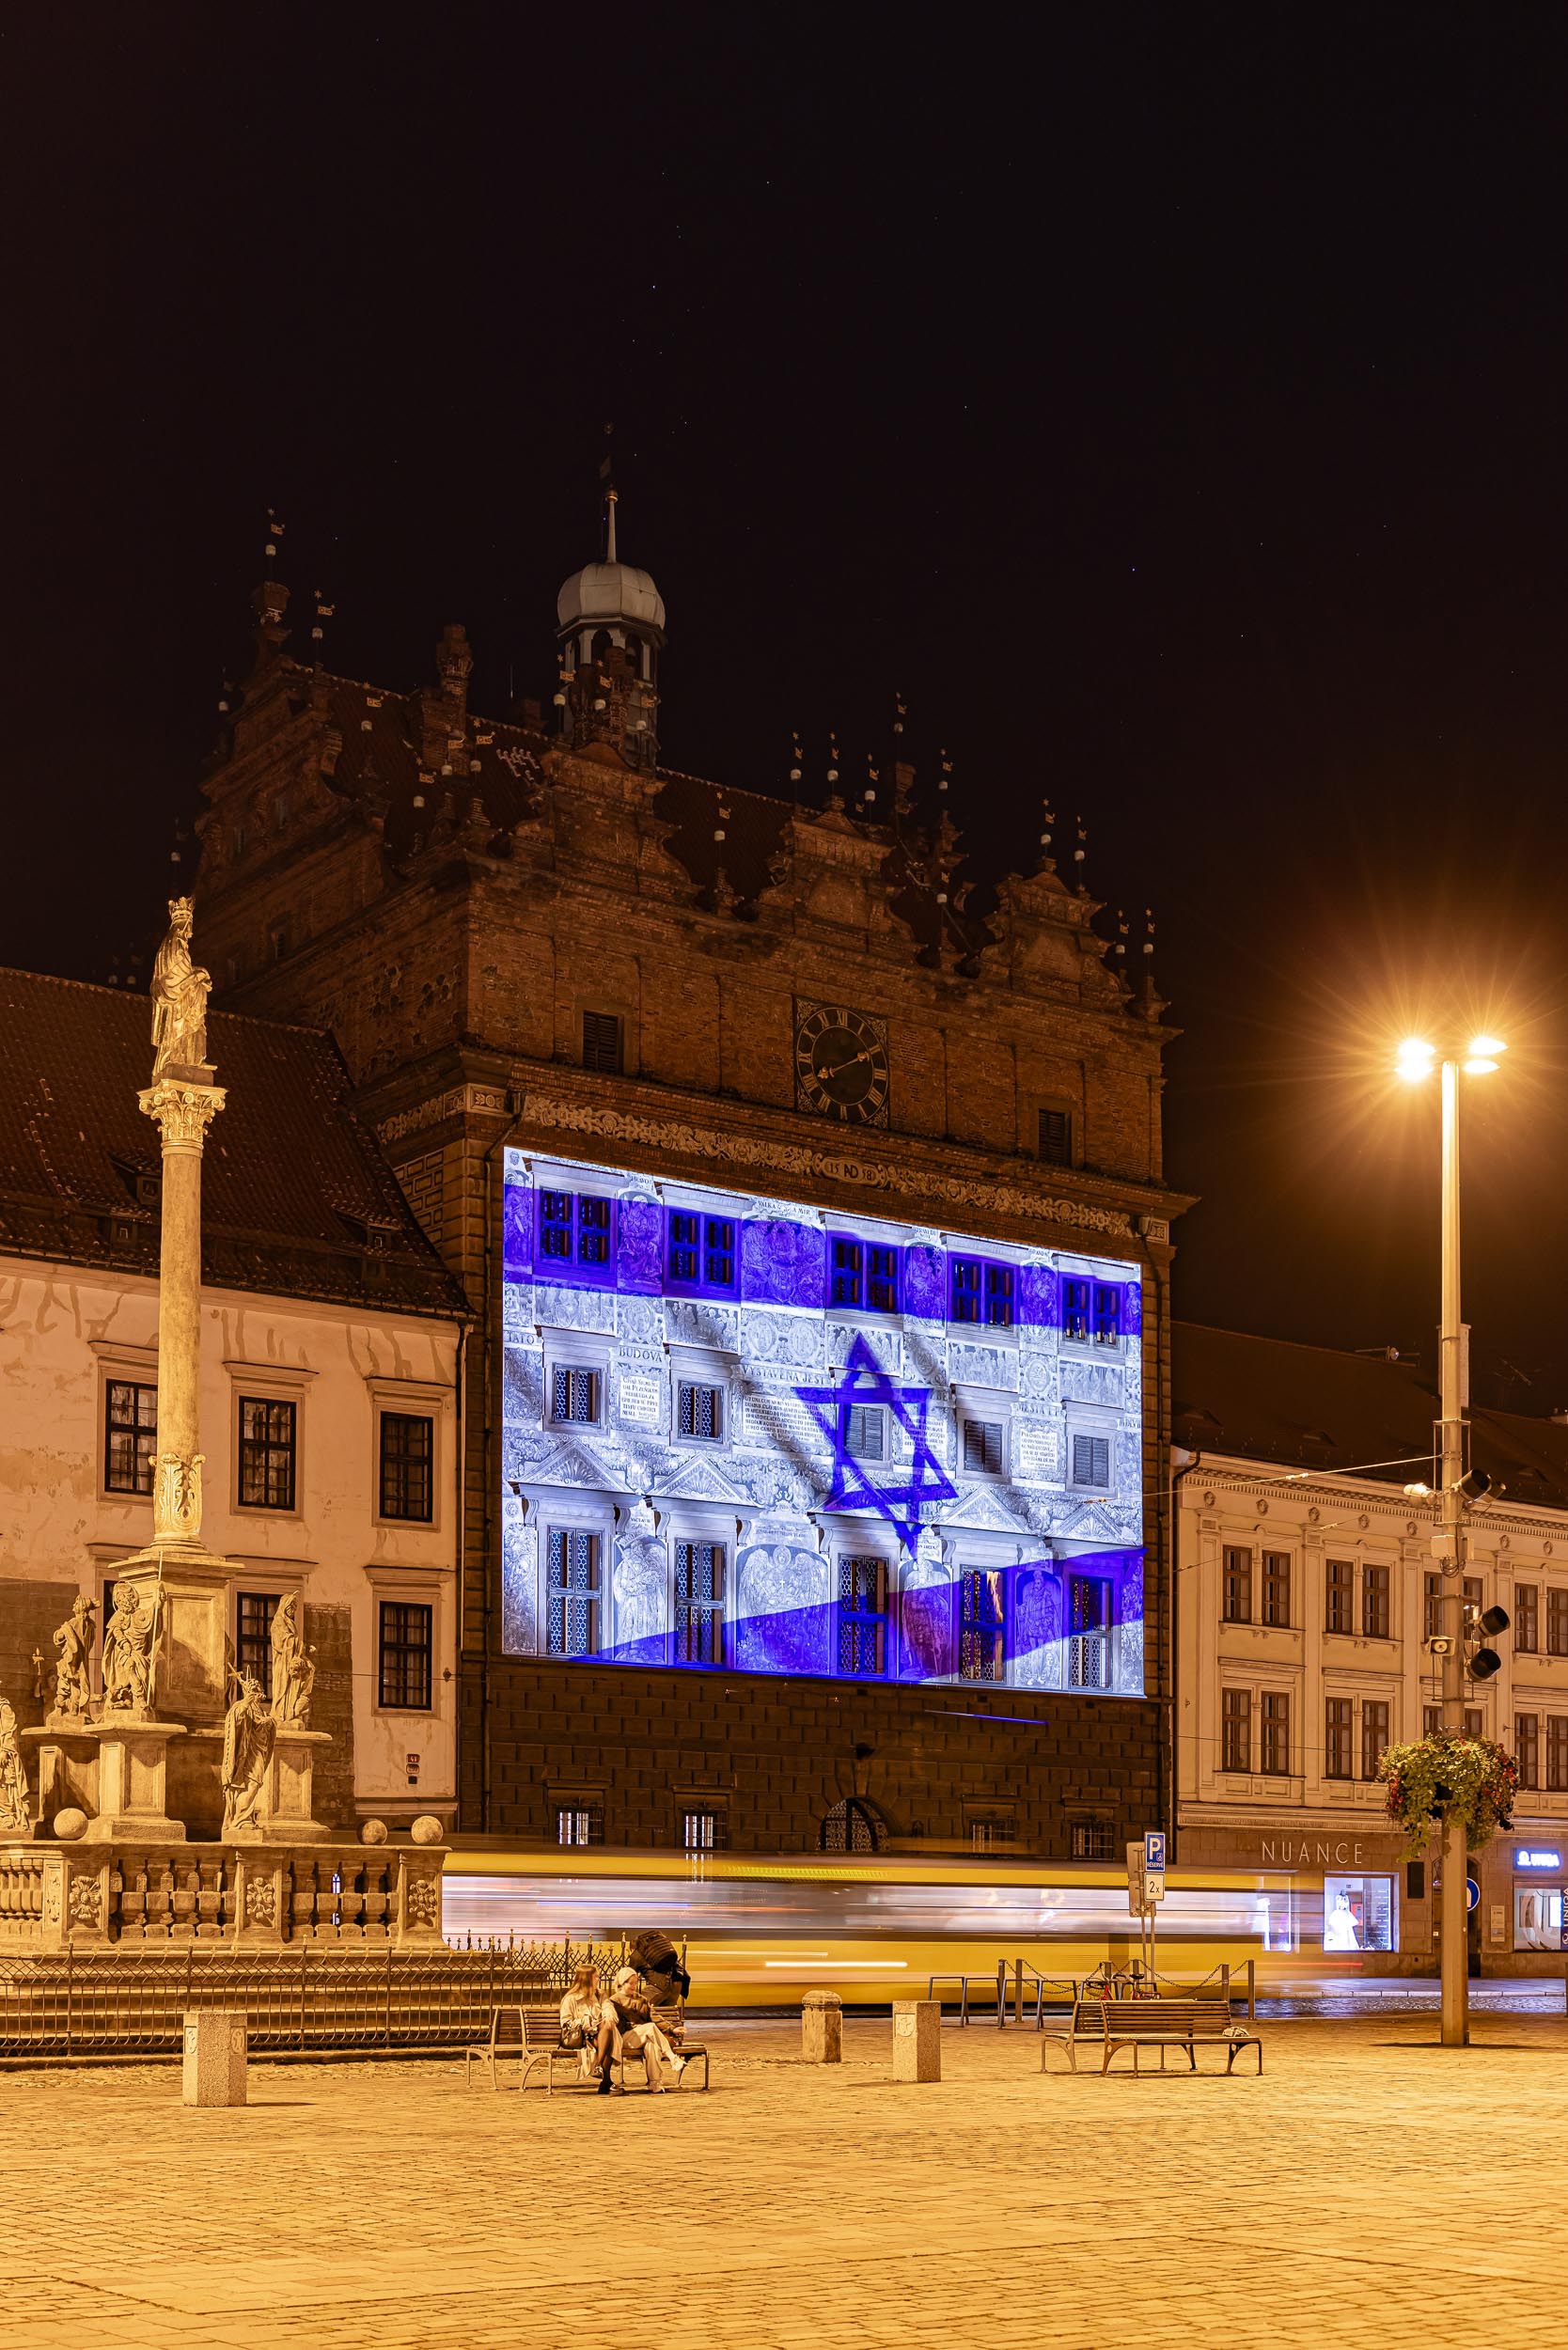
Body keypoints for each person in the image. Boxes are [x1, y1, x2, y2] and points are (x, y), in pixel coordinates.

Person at [610, 1965, 684, 2091]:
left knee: (652, 2046)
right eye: (631, 1983)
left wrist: (672, 2029)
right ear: (622, 1982)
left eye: (636, 1983)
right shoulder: (614, 2001)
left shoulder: (641, 1999)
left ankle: (655, 2083)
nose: (634, 1986)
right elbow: (617, 2024)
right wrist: (637, 2026)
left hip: (643, 2036)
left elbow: (654, 2016)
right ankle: (672, 2057)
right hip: (625, 2037)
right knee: (649, 2028)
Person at [558, 1962, 618, 2089]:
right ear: (586, 1979)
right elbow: (565, 2023)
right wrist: (588, 2022)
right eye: (596, 1977)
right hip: (583, 2036)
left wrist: (608, 2017)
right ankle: (606, 2081)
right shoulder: (570, 1999)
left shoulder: (600, 1995)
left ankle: (598, 2065)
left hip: (600, 2034)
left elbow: (608, 2008)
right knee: (608, 2039)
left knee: (608, 2026)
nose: (599, 1979)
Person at [627, 1927, 692, 2005]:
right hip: (677, 1982)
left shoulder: (636, 1955)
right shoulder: (653, 1951)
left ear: (632, 1949)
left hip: (658, 1986)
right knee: (668, 2012)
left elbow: (628, 1975)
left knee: (640, 2008)